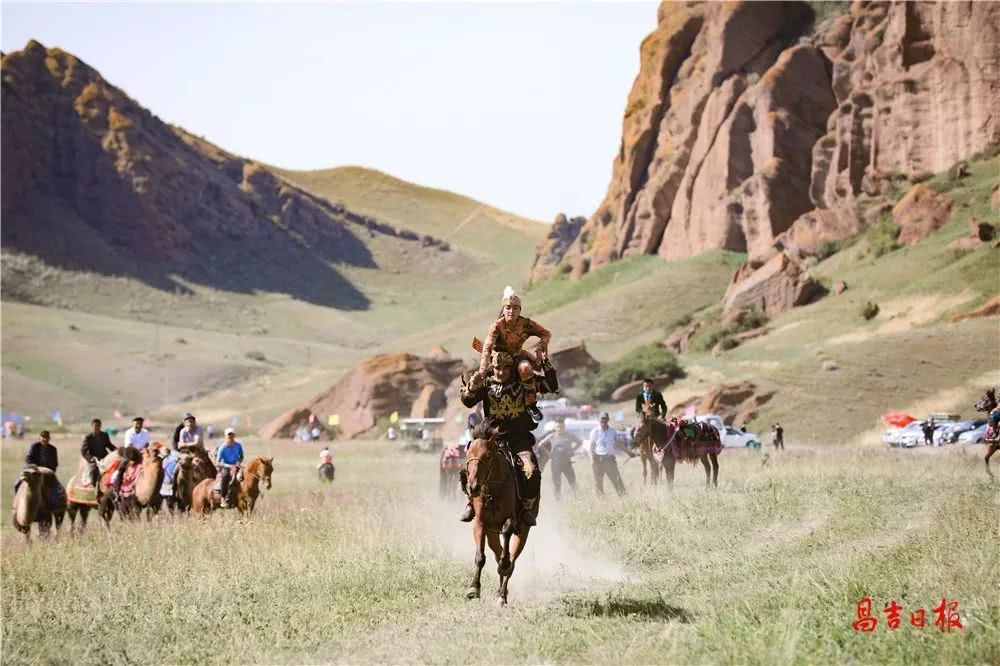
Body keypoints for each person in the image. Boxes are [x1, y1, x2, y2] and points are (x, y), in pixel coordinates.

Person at [459, 350, 558, 526]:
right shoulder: (486, 383)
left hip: (519, 439)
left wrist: (546, 364)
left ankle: (527, 508)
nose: (501, 372)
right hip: (491, 440)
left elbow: (551, 386)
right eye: (497, 368)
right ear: (493, 367)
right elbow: (468, 401)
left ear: (512, 368)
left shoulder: (525, 381)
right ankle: (470, 502)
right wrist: (472, 387)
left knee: (532, 470)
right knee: (466, 468)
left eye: (505, 368)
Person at [470, 285, 552, 422]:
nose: (511, 311)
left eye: (515, 308)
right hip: (499, 358)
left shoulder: (526, 324)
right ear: (503, 309)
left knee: (526, 368)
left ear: (520, 310)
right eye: (508, 307)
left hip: (518, 356)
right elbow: (487, 347)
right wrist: (483, 369)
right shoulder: (496, 326)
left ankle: (531, 404)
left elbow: (546, 334)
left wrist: (540, 347)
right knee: (478, 381)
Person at [536, 419, 583, 499]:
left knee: (572, 481)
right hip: (555, 463)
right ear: (555, 427)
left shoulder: (569, 435)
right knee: (557, 483)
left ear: (564, 427)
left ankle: (578, 498)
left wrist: (573, 450)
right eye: (557, 427)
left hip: (567, 462)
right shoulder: (552, 436)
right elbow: (540, 444)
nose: (559, 428)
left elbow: (580, 442)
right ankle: (558, 500)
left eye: (561, 426)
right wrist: (549, 454)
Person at [589, 413, 632, 497]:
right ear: (599, 420)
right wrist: (592, 460)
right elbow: (591, 447)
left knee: (617, 480)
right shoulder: (594, 431)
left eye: (605, 419)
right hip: (598, 460)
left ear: (608, 420)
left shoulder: (612, 431)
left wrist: (629, 452)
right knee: (598, 482)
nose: (603, 421)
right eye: (602, 419)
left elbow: (618, 443)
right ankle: (600, 500)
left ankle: (624, 498)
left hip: (610, 460)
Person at [22, 430, 66, 511]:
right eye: (43, 437)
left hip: (47, 471)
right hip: (34, 469)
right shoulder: (34, 446)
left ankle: (56, 506)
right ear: (40, 438)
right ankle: (17, 504)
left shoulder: (53, 449)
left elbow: (55, 463)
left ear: (49, 438)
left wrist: (49, 470)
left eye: (46, 437)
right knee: (18, 482)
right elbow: (28, 459)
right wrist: (34, 466)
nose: (44, 439)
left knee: (57, 487)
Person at [113, 417, 150, 495]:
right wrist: (139, 452)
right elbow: (130, 445)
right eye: (137, 424)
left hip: (143, 454)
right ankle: (117, 488)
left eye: (140, 424)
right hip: (130, 453)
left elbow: (147, 444)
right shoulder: (129, 432)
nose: (138, 425)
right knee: (122, 466)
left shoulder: (146, 432)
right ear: (133, 424)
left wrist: (144, 450)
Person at [81, 418, 117, 486]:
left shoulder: (104, 435)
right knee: (94, 470)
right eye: (95, 426)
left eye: (99, 426)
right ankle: (94, 486)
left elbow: (109, 445)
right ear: (92, 426)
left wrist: (116, 450)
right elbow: (83, 451)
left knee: (115, 466)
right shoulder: (88, 437)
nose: (97, 427)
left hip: (104, 457)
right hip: (94, 459)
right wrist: (91, 459)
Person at [216, 427, 245, 508]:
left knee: (244, 476)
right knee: (225, 476)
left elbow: (241, 456)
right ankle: (223, 498)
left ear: (234, 435)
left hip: (236, 465)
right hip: (226, 466)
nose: (230, 436)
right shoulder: (222, 447)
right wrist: (228, 465)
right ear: (226, 436)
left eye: (232, 435)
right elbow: (217, 462)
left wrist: (238, 462)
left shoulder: (238, 445)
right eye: (229, 435)